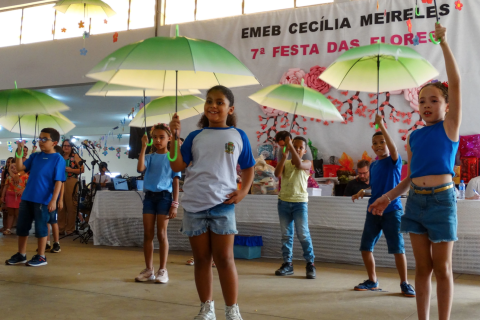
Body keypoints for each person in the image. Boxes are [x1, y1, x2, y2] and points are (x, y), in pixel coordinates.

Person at [369, 24, 460, 320]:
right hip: (415, 203)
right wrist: (387, 196)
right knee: (423, 269)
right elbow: (410, 177)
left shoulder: (449, 128)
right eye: (422, 101)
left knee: (443, 268)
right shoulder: (414, 136)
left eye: (434, 100)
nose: (427, 105)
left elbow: (455, 84)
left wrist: (444, 44)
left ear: (447, 106)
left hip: (442, 202)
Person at [169, 85, 255, 320]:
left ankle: (232, 310)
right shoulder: (196, 136)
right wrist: (174, 138)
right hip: (195, 204)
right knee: (202, 260)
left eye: (219, 102)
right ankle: (207, 308)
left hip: (223, 205)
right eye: (209, 101)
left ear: (230, 108)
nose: (213, 106)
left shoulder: (238, 135)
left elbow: (249, 168)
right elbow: (176, 165)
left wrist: (243, 191)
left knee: (225, 259)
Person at [352, 114, 415, 297]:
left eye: (383, 142)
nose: (380, 145)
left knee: (397, 248)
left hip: (392, 211)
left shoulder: (394, 162)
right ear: (372, 147)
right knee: (365, 247)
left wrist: (382, 125)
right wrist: (363, 192)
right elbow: (376, 188)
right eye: (376, 143)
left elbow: (394, 149)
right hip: (373, 211)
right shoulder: (373, 166)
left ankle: (404, 283)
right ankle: (372, 281)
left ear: (388, 144)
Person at [5, 128, 66, 267]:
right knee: (22, 227)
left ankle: (41, 256)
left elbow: (59, 182)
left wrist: (53, 200)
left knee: (40, 228)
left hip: (43, 199)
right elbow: (21, 169)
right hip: (27, 197)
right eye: (40, 138)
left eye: (45, 139)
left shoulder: (58, 159)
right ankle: (21, 255)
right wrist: (19, 152)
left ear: (54, 142)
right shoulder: (35, 156)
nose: (41, 141)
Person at [135, 123, 181, 284]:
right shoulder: (149, 157)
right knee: (148, 234)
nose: (157, 140)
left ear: (169, 139)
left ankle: (163, 270)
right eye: (154, 137)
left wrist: (175, 203)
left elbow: (176, 182)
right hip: (149, 197)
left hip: (165, 198)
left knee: (162, 234)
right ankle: (149, 270)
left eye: (161, 137)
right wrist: (143, 147)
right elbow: (140, 168)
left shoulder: (173, 158)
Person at [274, 136, 316, 279]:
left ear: (304, 150)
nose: (297, 149)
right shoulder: (286, 163)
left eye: (300, 147)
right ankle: (287, 264)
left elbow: (298, 165)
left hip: (299, 204)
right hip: (284, 202)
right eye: (295, 146)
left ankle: (310, 263)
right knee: (286, 235)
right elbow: (276, 174)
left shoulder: (307, 163)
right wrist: (284, 156)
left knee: (303, 234)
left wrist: (290, 146)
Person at [58, 139, 84, 236]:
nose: (66, 147)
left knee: (71, 205)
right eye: (64, 145)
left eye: (68, 146)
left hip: (71, 180)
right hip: (59, 181)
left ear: (71, 147)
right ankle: (60, 229)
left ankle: (70, 229)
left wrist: (71, 170)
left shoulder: (75, 156)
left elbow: (82, 169)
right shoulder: (59, 156)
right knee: (60, 206)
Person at [0, 163, 28, 235]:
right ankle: (8, 229)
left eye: (15, 166)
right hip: (10, 197)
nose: (14, 168)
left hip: (20, 197)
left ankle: (21, 229)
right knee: (10, 213)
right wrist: (3, 196)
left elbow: (28, 185)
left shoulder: (25, 176)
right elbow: (5, 187)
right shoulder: (9, 177)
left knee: (19, 214)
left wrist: (23, 190)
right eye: (11, 167)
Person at [0, 157, 13, 233]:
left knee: (10, 212)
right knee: (4, 211)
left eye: (10, 162)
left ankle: (8, 227)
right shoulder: (4, 172)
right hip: (5, 192)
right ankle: (4, 226)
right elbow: (2, 184)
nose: (9, 163)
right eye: (8, 162)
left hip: (11, 194)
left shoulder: (16, 172)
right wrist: (2, 194)